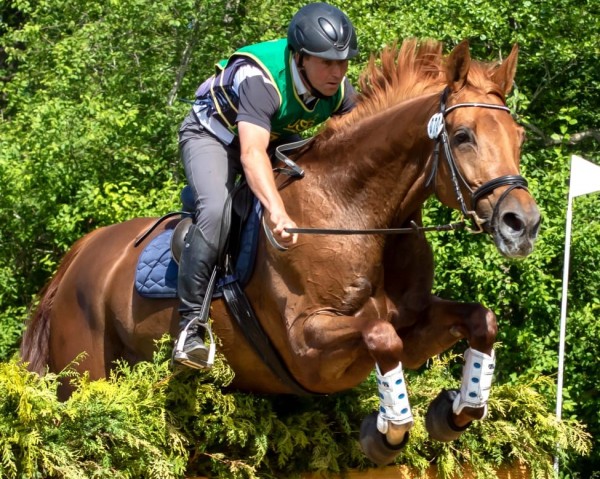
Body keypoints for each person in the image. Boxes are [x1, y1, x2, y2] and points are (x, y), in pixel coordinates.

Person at [173, 2, 359, 369]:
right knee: (216, 210)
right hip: (214, 135)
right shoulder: (262, 80)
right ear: (301, 58)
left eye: (343, 62)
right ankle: (191, 326)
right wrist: (277, 211)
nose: (337, 72)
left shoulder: (339, 91)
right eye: (327, 62)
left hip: (271, 141)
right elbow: (252, 153)